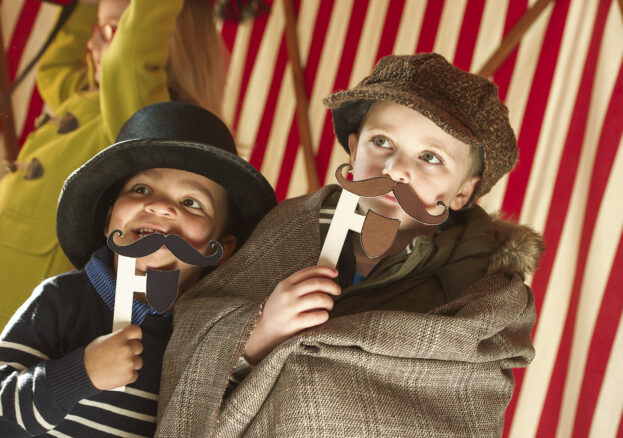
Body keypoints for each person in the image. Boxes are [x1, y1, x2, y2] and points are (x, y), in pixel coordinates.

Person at [155, 53, 545, 437]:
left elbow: (463, 403)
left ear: (463, 192)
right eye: (381, 141)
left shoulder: (478, 291)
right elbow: (196, 327)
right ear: (354, 150)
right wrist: (256, 333)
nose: (394, 169)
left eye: (429, 156)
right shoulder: (291, 227)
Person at [0, 102, 277, 437]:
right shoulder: (61, 300)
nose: (159, 206)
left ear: (220, 250)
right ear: (108, 220)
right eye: (141, 189)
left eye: (191, 203)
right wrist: (81, 373)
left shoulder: (211, 338)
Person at [0, 0, 227, 329]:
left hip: (19, 304)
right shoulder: (84, 98)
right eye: (96, 29)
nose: (92, 44)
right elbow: (54, 67)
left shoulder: (139, 111)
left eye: (112, 31)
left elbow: (128, 60)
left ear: (167, 43)